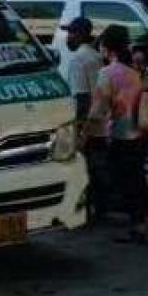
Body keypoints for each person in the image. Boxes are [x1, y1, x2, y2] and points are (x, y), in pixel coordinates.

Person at [88, 25, 148, 244]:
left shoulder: (107, 73)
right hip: (141, 132)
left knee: (122, 180)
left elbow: (97, 110)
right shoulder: (137, 69)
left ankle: (135, 227)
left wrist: (84, 131)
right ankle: (139, 224)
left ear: (106, 47)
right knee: (137, 178)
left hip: (121, 135)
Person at [62, 17, 108, 222]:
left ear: (80, 35)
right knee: (98, 169)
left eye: (71, 33)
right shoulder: (98, 57)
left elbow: (81, 98)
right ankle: (99, 209)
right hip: (102, 121)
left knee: (83, 170)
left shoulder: (78, 60)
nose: (68, 37)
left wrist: (79, 131)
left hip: (87, 124)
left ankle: (86, 212)